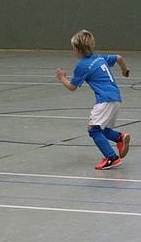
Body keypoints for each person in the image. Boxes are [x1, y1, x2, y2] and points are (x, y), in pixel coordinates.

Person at [55, 29, 131, 170]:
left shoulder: (82, 66)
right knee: (102, 128)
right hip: (115, 97)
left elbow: (72, 87)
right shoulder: (100, 58)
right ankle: (119, 138)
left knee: (94, 130)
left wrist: (61, 77)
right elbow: (119, 58)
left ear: (78, 49)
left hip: (105, 99)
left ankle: (112, 158)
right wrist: (124, 70)